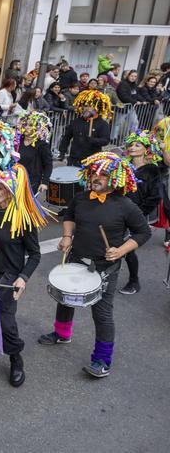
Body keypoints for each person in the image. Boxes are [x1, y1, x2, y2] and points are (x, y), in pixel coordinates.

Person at [38, 152, 149, 378]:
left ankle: (101, 360)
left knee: (102, 314)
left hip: (104, 267)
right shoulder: (81, 197)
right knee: (65, 299)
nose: (96, 177)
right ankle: (62, 334)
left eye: (103, 174)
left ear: (115, 178)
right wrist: (67, 236)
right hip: (77, 258)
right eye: (93, 173)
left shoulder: (125, 205)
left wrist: (121, 250)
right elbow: (69, 215)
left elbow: (143, 232)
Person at [0, 164, 51, 387]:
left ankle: (15, 358)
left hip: (7, 277)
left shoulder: (22, 218)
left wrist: (23, 278)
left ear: (10, 191)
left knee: (6, 322)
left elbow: (35, 255)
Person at [117, 132, 162, 295]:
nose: (132, 148)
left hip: (136, 215)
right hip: (119, 211)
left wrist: (138, 214)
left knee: (128, 248)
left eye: (137, 145)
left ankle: (134, 282)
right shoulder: (123, 166)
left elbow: (155, 196)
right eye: (131, 145)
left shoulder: (152, 170)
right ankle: (105, 275)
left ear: (146, 149)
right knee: (112, 241)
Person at [57, 90, 112, 166]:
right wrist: (62, 152)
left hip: (92, 159)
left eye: (89, 106)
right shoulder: (76, 122)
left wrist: (94, 140)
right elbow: (66, 137)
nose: (85, 108)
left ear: (96, 108)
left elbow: (106, 140)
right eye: (84, 106)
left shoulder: (102, 124)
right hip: (74, 159)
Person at [17, 110, 53, 195]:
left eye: (30, 125)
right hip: (15, 179)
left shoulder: (42, 145)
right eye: (25, 124)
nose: (26, 127)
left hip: (32, 182)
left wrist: (44, 182)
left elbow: (48, 164)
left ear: (38, 127)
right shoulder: (18, 141)